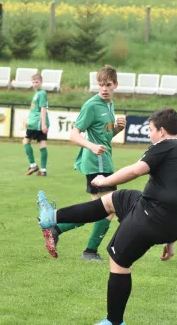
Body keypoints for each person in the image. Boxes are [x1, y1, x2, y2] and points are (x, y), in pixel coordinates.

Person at [36, 108, 177, 325]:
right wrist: (171, 240)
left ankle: (114, 321)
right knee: (115, 199)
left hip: (153, 217)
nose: (149, 135)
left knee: (119, 261)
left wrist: (103, 181)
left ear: (162, 131)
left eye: (151, 130)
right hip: (176, 223)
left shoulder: (164, 146)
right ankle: (53, 217)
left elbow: (136, 170)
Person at [41, 65, 126, 261]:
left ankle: (57, 229)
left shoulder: (109, 105)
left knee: (96, 211)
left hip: (105, 161)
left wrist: (118, 129)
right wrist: (92, 147)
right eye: (101, 85)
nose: (104, 88)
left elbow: (104, 137)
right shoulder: (91, 105)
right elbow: (73, 134)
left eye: (108, 85)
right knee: (108, 208)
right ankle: (89, 250)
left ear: (115, 85)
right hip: (96, 163)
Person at [23, 73, 50, 176]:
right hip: (36, 122)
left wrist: (43, 124)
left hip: (37, 123)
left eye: (36, 82)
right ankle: (43, 170)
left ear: (41, 82)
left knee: (26, 141)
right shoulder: (38, 93)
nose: (34, 84)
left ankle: (33, 165)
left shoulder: (41, 93)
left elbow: (43, 108)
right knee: (42, 144)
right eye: (33, 82)